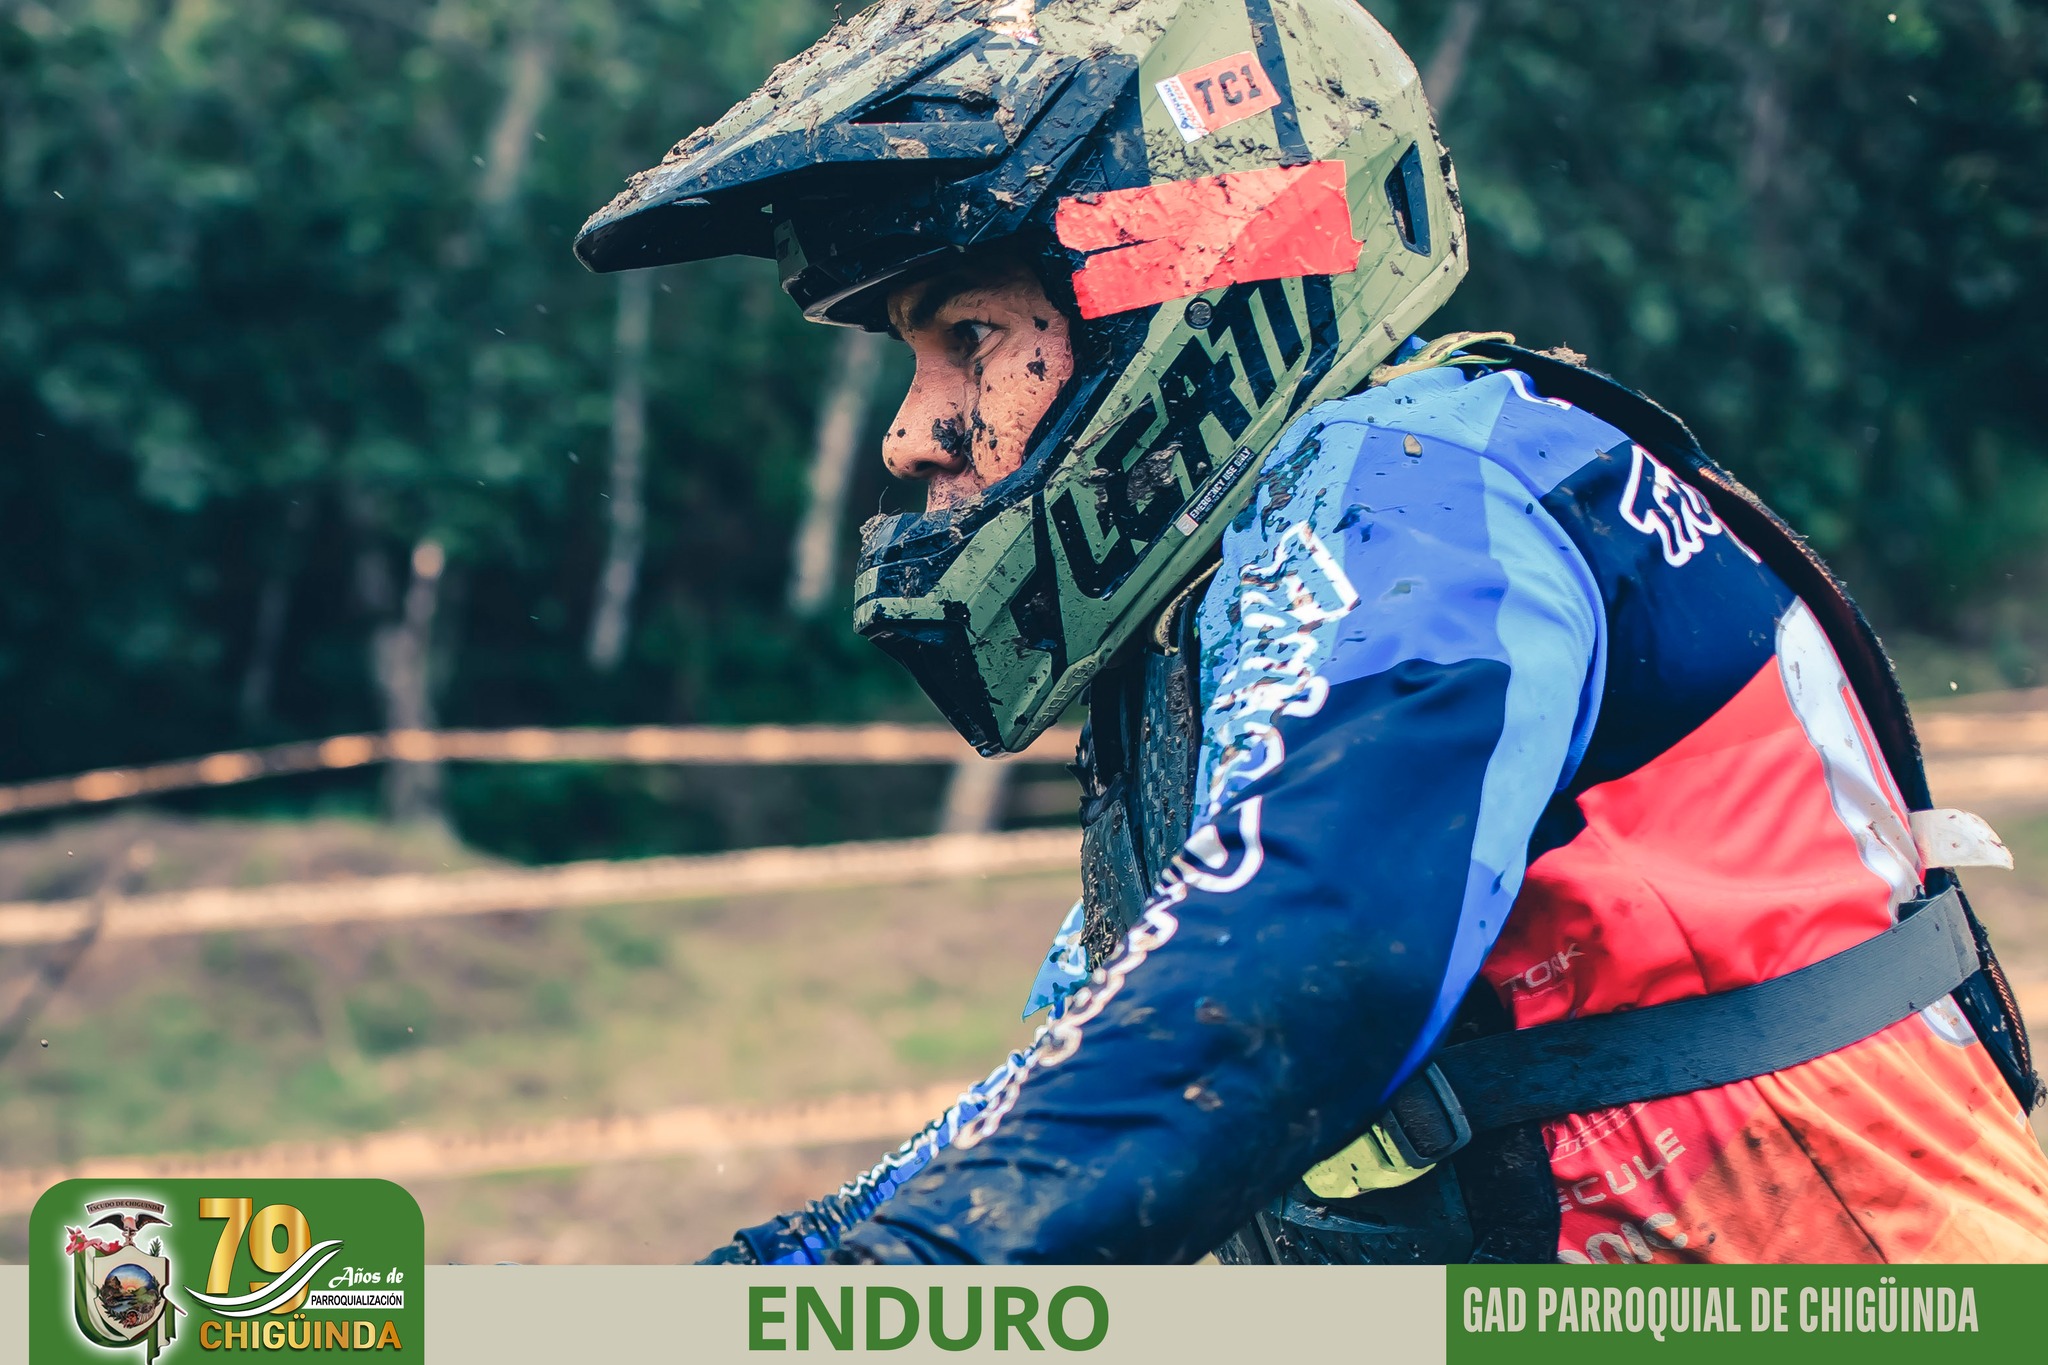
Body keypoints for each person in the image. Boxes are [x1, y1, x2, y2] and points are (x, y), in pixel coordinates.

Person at [576, 0, 2048, 1263]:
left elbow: (1305, 952)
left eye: (968, 338)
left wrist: (898, 1281)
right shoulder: (1233, 609)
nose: (911, 435)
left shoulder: (1423, 482)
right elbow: (1102, 1055)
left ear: (1172, 284)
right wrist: (791, 1264)